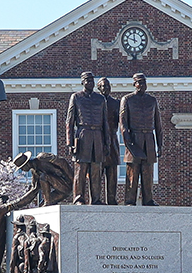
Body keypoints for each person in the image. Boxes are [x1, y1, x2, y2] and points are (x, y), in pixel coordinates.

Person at [64, 72, 115, 204]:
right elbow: (69, 122)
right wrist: (70, 143)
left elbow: (105, 123)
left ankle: (96, 199)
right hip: (83, 134)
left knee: (96, 169)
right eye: (87, 80)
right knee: (81, 170)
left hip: (98, 135)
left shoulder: (100, 99)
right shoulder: (76, 97)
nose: (90, 82)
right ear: (82, 82)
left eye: (92, 80)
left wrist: (107, 143)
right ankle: (78, 198)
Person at [118, 73, 163, 206]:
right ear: (134, 84)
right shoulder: (127, 99)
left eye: (144, 82)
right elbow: (123, 124)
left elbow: (158, 125)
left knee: (148, 173)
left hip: (149, 138)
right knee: (133, 172)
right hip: (134, 138)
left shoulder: (152, 100)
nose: (142, 85)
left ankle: (148, 199)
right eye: (139, 82)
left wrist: (160, 145)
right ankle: (130, 200)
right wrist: (128, 143)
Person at [96, 77, 121, 205]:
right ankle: (96, 198)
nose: (106, 88)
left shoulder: (116, 103)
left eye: (108, 85)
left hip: (112, 138)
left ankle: (111, 198)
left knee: (112, 170)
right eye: (103, 86)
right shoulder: (95, 102)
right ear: (98, 88)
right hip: (98, 139)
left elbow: (122, 123)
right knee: (97, 170)